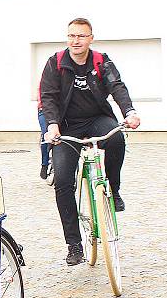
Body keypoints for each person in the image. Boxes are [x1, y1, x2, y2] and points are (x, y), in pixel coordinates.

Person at [41, 18, 141, 266]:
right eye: (72, 36)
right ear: (67, 38)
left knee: (117, 138)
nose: (76, 41)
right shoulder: (55, 63)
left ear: (91, 38)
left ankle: (113, 190)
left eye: (81, 36)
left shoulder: (100, 61)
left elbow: (117, 87)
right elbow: (48, 98)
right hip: (66, 127)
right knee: (63, 181)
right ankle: (74, 244)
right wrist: (52, 125)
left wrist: (129, 112)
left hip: (97, 119)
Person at [37, 85, 50, 179]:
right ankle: (44, 164)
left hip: (62, 111)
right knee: (46, 134)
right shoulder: (48, 76)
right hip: (44, 110)